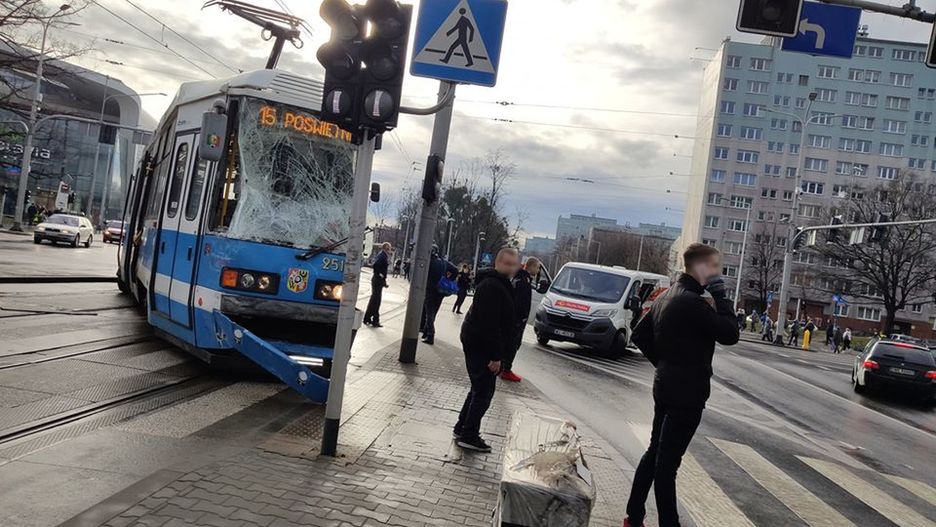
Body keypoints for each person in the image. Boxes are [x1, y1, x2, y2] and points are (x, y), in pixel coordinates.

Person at [623, 243, 740, 527]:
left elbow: (640, 334)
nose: (717, 273)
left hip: (665, 386)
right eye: (714, 267)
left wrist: (665, 364)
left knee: (654, 453)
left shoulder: (667, 296)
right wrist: (722, 298)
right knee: (667, 466)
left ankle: (634, 516)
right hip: (687, 393)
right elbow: (730, 333)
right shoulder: (693, 302)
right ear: (701, 268)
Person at [453, 247, 520, 452]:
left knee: (478, 388)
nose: (510, 267)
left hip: (477, 341)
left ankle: (462, 427)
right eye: (506, 263)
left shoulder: (499, 284)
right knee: (484, 391)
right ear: (497, 263)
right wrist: (495, 356)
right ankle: (469, 434)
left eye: (513, 264)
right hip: (481, 345)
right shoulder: (492, 285)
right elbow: (490, 324)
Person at [501, 257, 541, 383]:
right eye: (538, 267)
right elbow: (521, 302)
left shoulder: (518, 278)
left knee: (509, 342)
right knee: (513, 344)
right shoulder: (524, 281)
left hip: (513, 318)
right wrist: (521, 318)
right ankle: (506, 370)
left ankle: (503, 366)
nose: (538, 270)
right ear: (532, 267)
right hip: (517, 320)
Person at [420, 245, 457, 345]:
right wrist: (448, 280)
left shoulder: (428, 262)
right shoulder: (443, 262)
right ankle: (426, 332)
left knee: (429, 312)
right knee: (434, 311)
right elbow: (455, 270)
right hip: (441, 290)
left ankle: (430, 335)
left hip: (430, 289)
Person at [363, 243, 391, 328]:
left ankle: (367, 318)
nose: (388, 250)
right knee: (376, 301)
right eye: (388, 248)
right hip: (378, 280)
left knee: (374, 300)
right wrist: (381, 275)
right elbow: (376, 266)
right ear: (385, 248)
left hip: (377, 280)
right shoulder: (382, 256)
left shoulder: (382, 255)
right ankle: (375, 320)